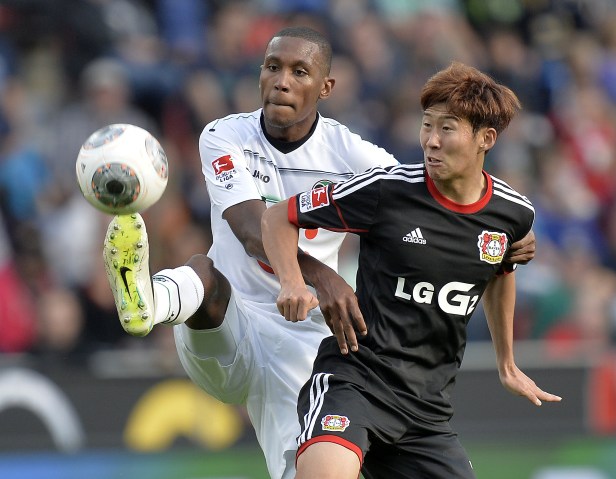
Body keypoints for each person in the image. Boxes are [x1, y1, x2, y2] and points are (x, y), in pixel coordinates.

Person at [103, 28, 536, 479]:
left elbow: (418, 197)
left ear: (325, 88)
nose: (282, 81)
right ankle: (145, 301)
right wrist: (319, 277)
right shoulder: (224, 135)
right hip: (228, 323)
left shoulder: (354, 153)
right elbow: (255, 229)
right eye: (272, 67)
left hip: (301, 336)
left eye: (299, 71)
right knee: (205, 275)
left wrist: (505, 235)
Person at [261, 62, 559, 479]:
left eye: (448, 129)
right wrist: (293, 280)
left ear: (485, 139)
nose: (431, 141)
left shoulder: (512, 213)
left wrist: (506, 362)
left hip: (426, 412)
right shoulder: (387, 189)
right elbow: (278, 217)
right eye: (426, 125)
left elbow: (499, 271)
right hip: (355, 382)